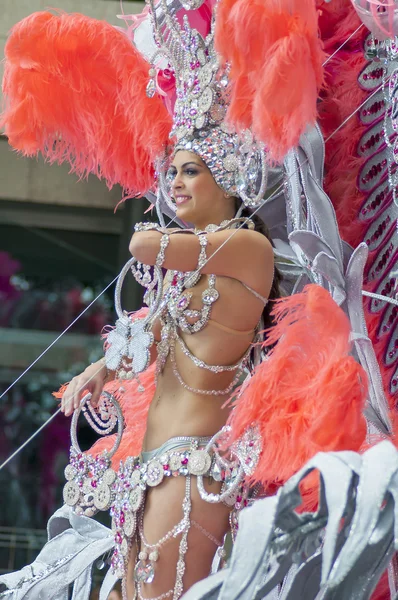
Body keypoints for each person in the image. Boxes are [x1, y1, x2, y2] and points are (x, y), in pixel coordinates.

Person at [60, 145, 277, 599]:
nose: (174, 183)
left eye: (190, 171)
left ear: (228, 180)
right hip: (146, 467)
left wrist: (150, 234)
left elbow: (145, 245)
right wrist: (100, 369)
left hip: (192, 467)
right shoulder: (191, 269)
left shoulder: (247, 247)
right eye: (172, 172)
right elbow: (150, 336)